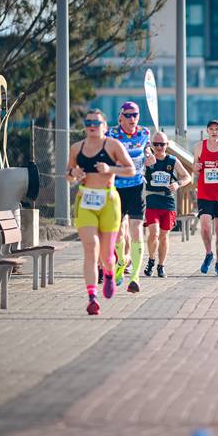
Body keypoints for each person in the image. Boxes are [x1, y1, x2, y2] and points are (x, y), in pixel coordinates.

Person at [66, 109, 135, 315]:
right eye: (88, 122)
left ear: (104, 126)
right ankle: (92, 297)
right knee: (91, 247)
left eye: (96, 122)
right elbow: (68, 175)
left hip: (108, 202)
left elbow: (131, 169)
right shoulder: (76, 148)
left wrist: (110, 169)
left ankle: (109, 274)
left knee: (107, 255)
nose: (92, 126)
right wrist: (74, 173)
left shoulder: (113, 145)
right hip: (85, 200)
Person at [107, 101, 151, 293]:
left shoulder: (144, 133)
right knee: (117, 233)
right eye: (128, 115)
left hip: (137, 186)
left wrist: (149, 156)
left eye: (135, 115)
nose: (132, 118)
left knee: (136, 229)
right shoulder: (111, 134)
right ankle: (121, 262)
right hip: (116, 188)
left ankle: (135, 277)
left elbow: (147, 149)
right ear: (121, 117)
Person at [143, 131, 192, 278]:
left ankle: (161, 265)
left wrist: (178, 184)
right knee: (154, 233)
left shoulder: (172, 160)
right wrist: (145, 157)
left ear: (167, 145)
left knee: (164, 236)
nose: (159, 147)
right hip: (152, 200)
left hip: (168, 202)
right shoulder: (147, 159)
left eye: (162, 144)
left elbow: (187, 177)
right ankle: (151, 260)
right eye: (156, 144)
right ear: (152, 145)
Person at [193, 120, 218, 276]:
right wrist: (196, 167)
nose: (214, 131)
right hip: (205, 192)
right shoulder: (199, 146)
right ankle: (209, 253)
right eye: (211, 129)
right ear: (207, 131)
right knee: (205, 225)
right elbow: (194, 168)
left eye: (217, 129)